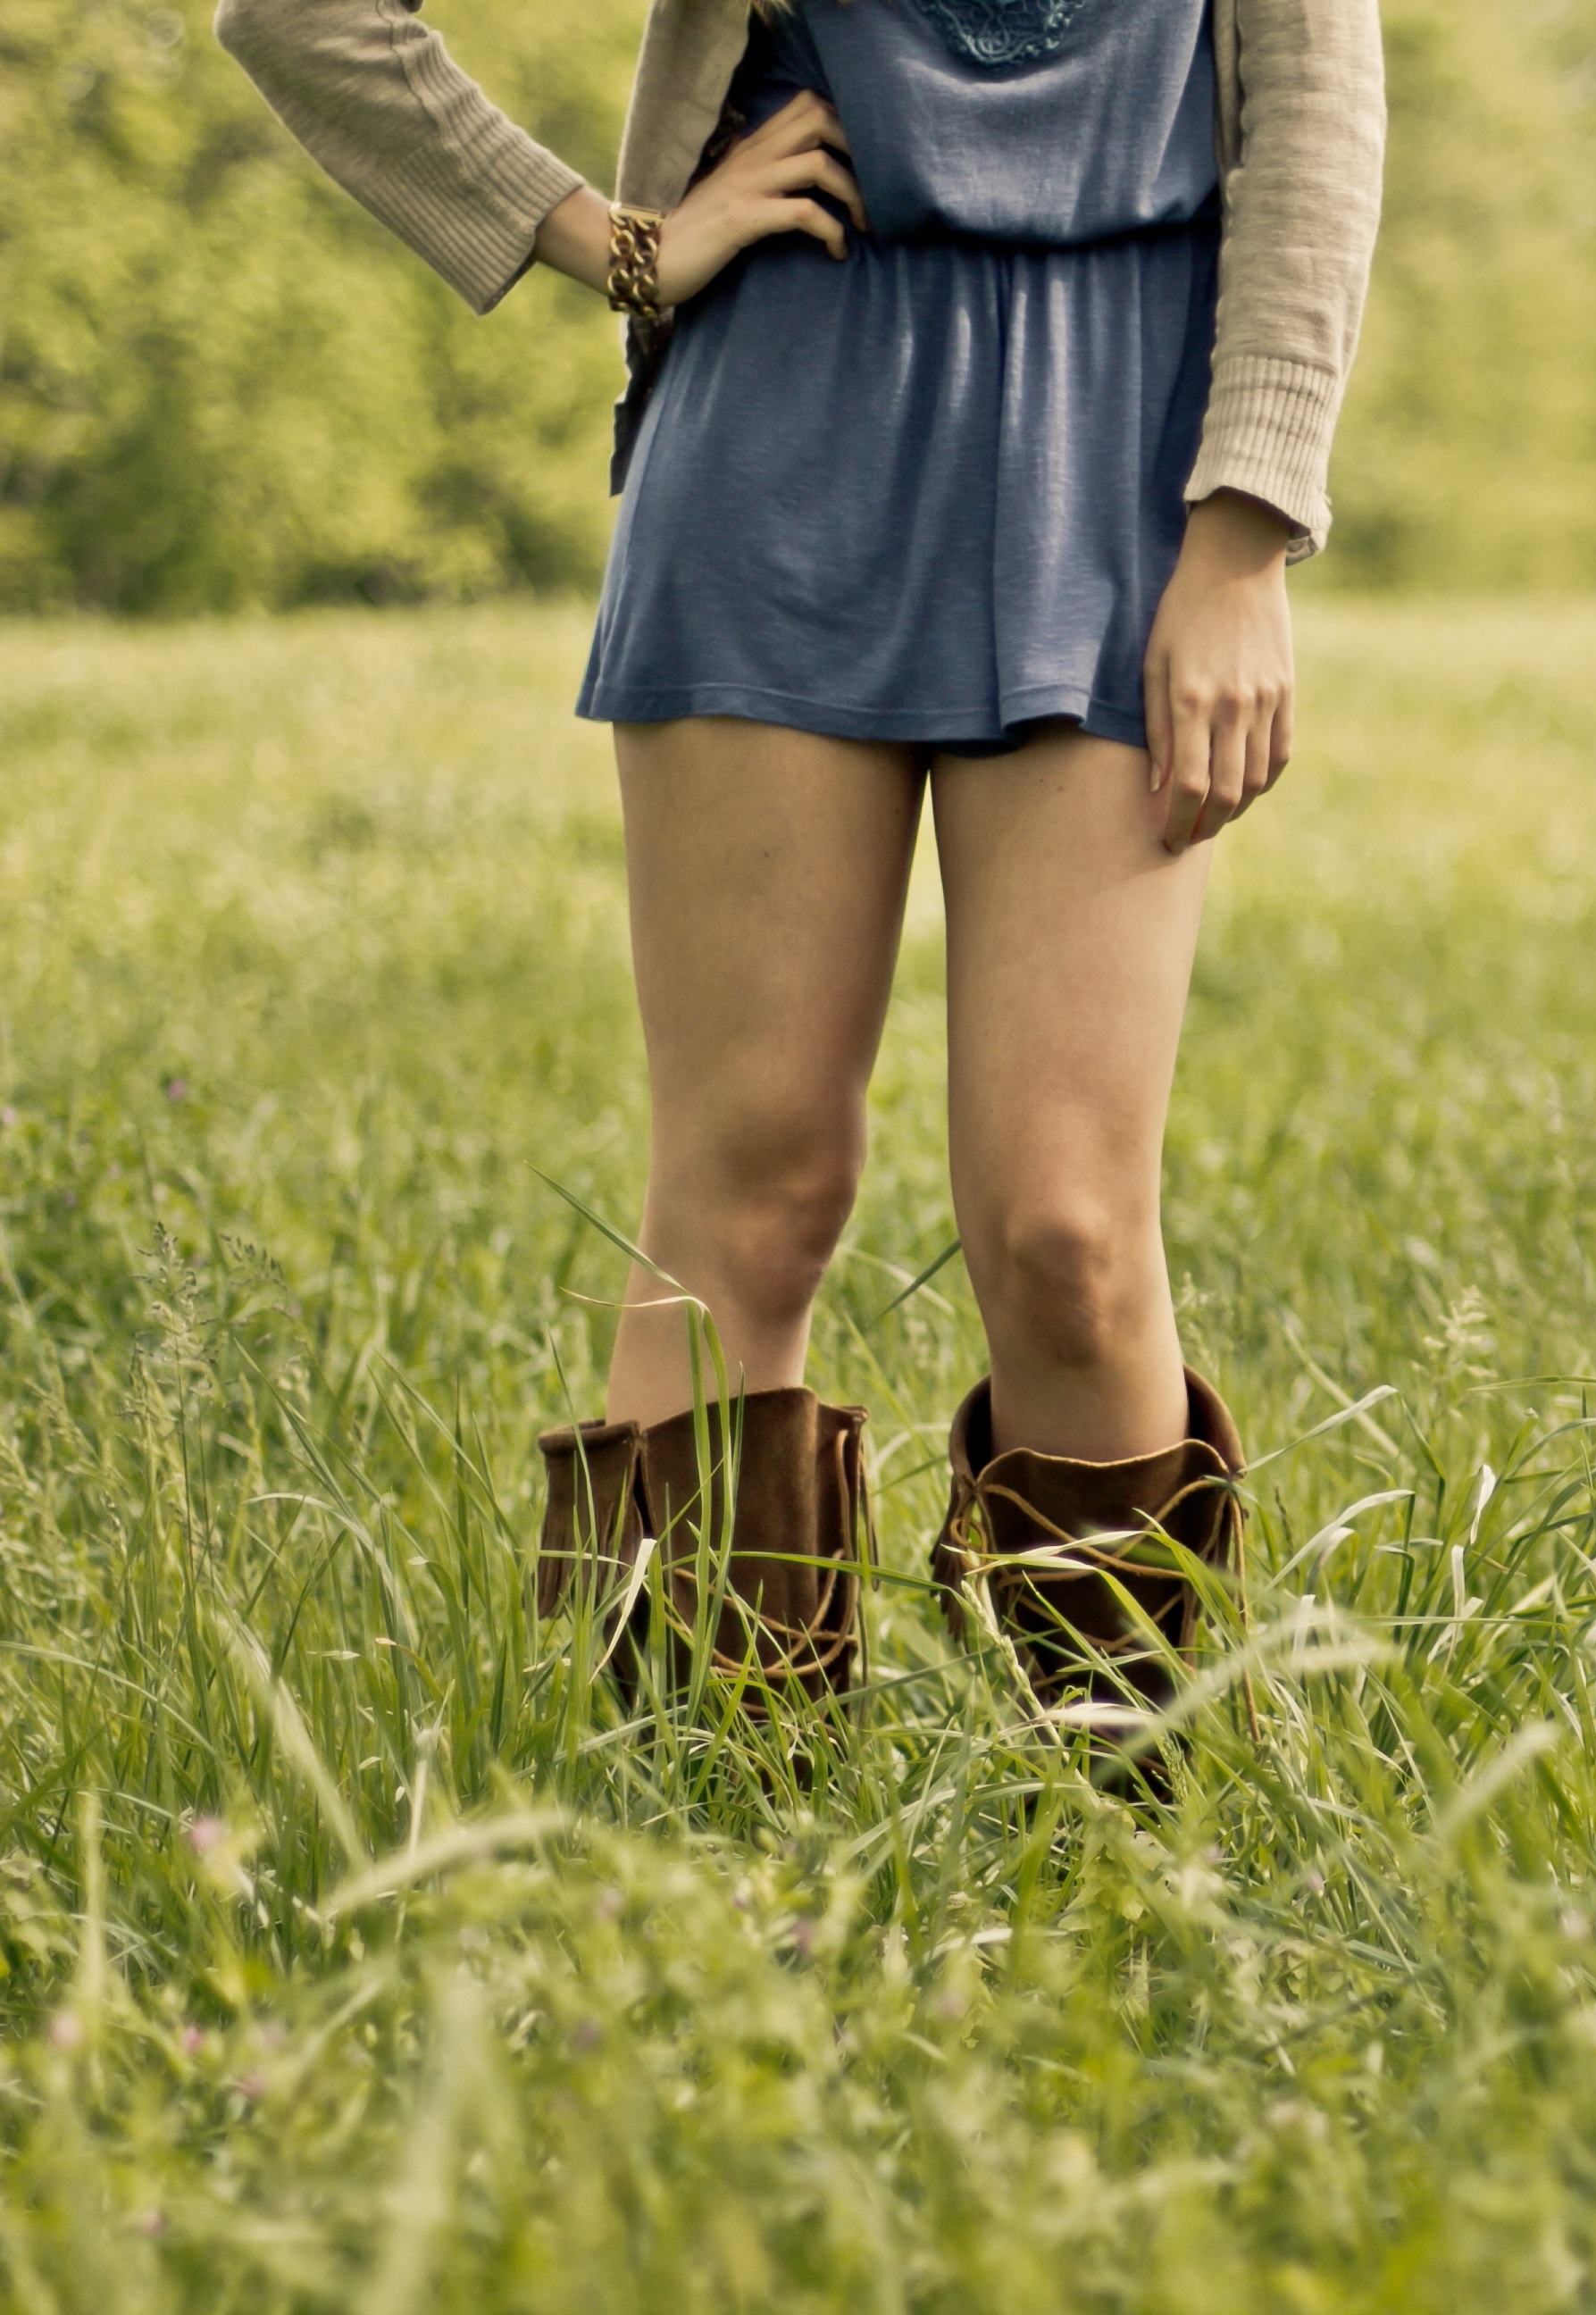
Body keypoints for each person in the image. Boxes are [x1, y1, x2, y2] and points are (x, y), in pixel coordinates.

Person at [215, 0, 1384, 1753]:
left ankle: (1116, 1874)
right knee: (752, 1180)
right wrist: (614, 246)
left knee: (1067, 1227)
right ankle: (714, 1866)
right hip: (786, 422)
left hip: (1125, 446)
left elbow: (1312, 121)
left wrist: (1246, 531)